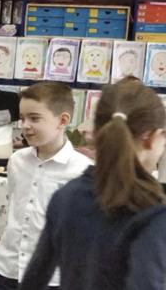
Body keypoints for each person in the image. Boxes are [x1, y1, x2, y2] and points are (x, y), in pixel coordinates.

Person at [20, 79, 166, 290]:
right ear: (152, 138)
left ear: (95, 132)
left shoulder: (66, 196)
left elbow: (34, 278)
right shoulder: (152, 212)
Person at [0, 82, 92, 290]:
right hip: (8, 267)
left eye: (34, 118)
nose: (25, 125)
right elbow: (15, 207)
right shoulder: (17, 160)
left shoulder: (83, 170)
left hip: (53, 277)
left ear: (62, 120)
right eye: (22, 118)